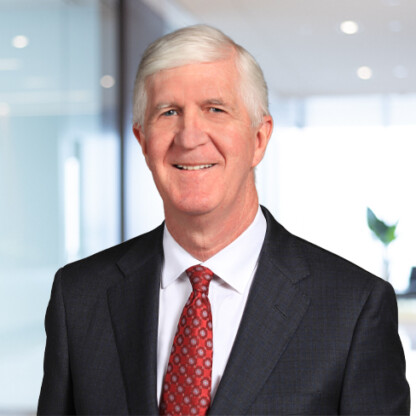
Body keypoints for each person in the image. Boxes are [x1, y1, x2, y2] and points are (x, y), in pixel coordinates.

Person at [38, 25, 410, 415]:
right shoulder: (78, 297)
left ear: (259, 138)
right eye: (169, 112)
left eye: (215, 109)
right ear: (143, 142)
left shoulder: (352, 308)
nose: (189, 136)